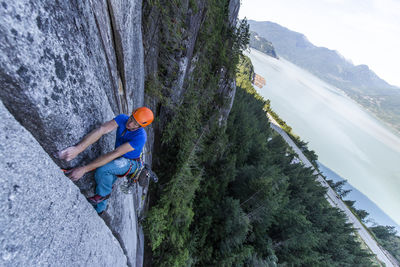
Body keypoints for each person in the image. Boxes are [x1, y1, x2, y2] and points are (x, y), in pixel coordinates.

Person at [57, 107, 154, 213]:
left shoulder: (140, 137)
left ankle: (100, 198)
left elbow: (115, 153)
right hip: (119, 157)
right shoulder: (122, 119)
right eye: (131, 118)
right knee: (106, 178)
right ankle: (100, 209)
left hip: (131, 162)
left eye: (135, 124)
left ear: (140, 126)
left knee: (103, 170)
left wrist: (84, 169)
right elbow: (101, 130)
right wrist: (77, 149)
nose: (130, 124)